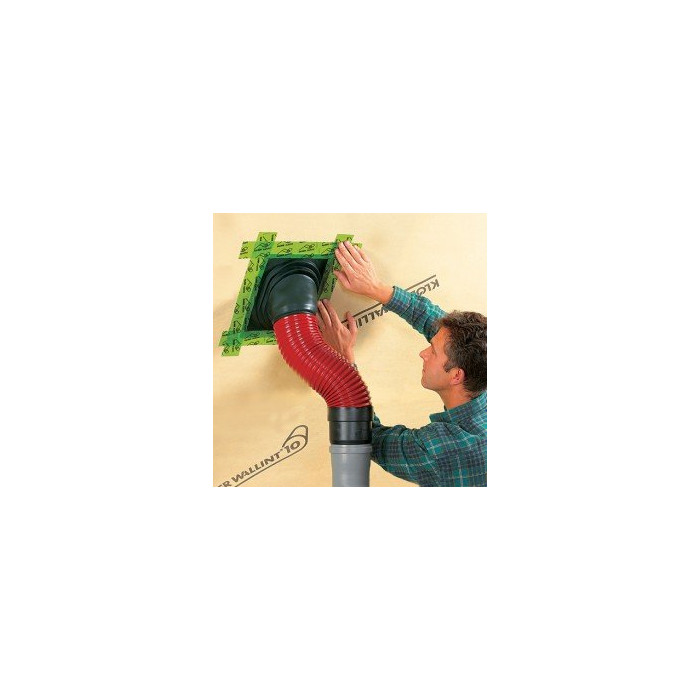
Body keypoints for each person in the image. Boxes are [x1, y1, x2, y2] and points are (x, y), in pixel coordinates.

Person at [316, 240, 486, 487]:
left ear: (456, 375)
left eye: (433, 352)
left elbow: (368, 438)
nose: (423, 353)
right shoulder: (482, 372)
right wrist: (376, 288)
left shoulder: (440, 450)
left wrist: (344, 361)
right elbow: (440, 327)